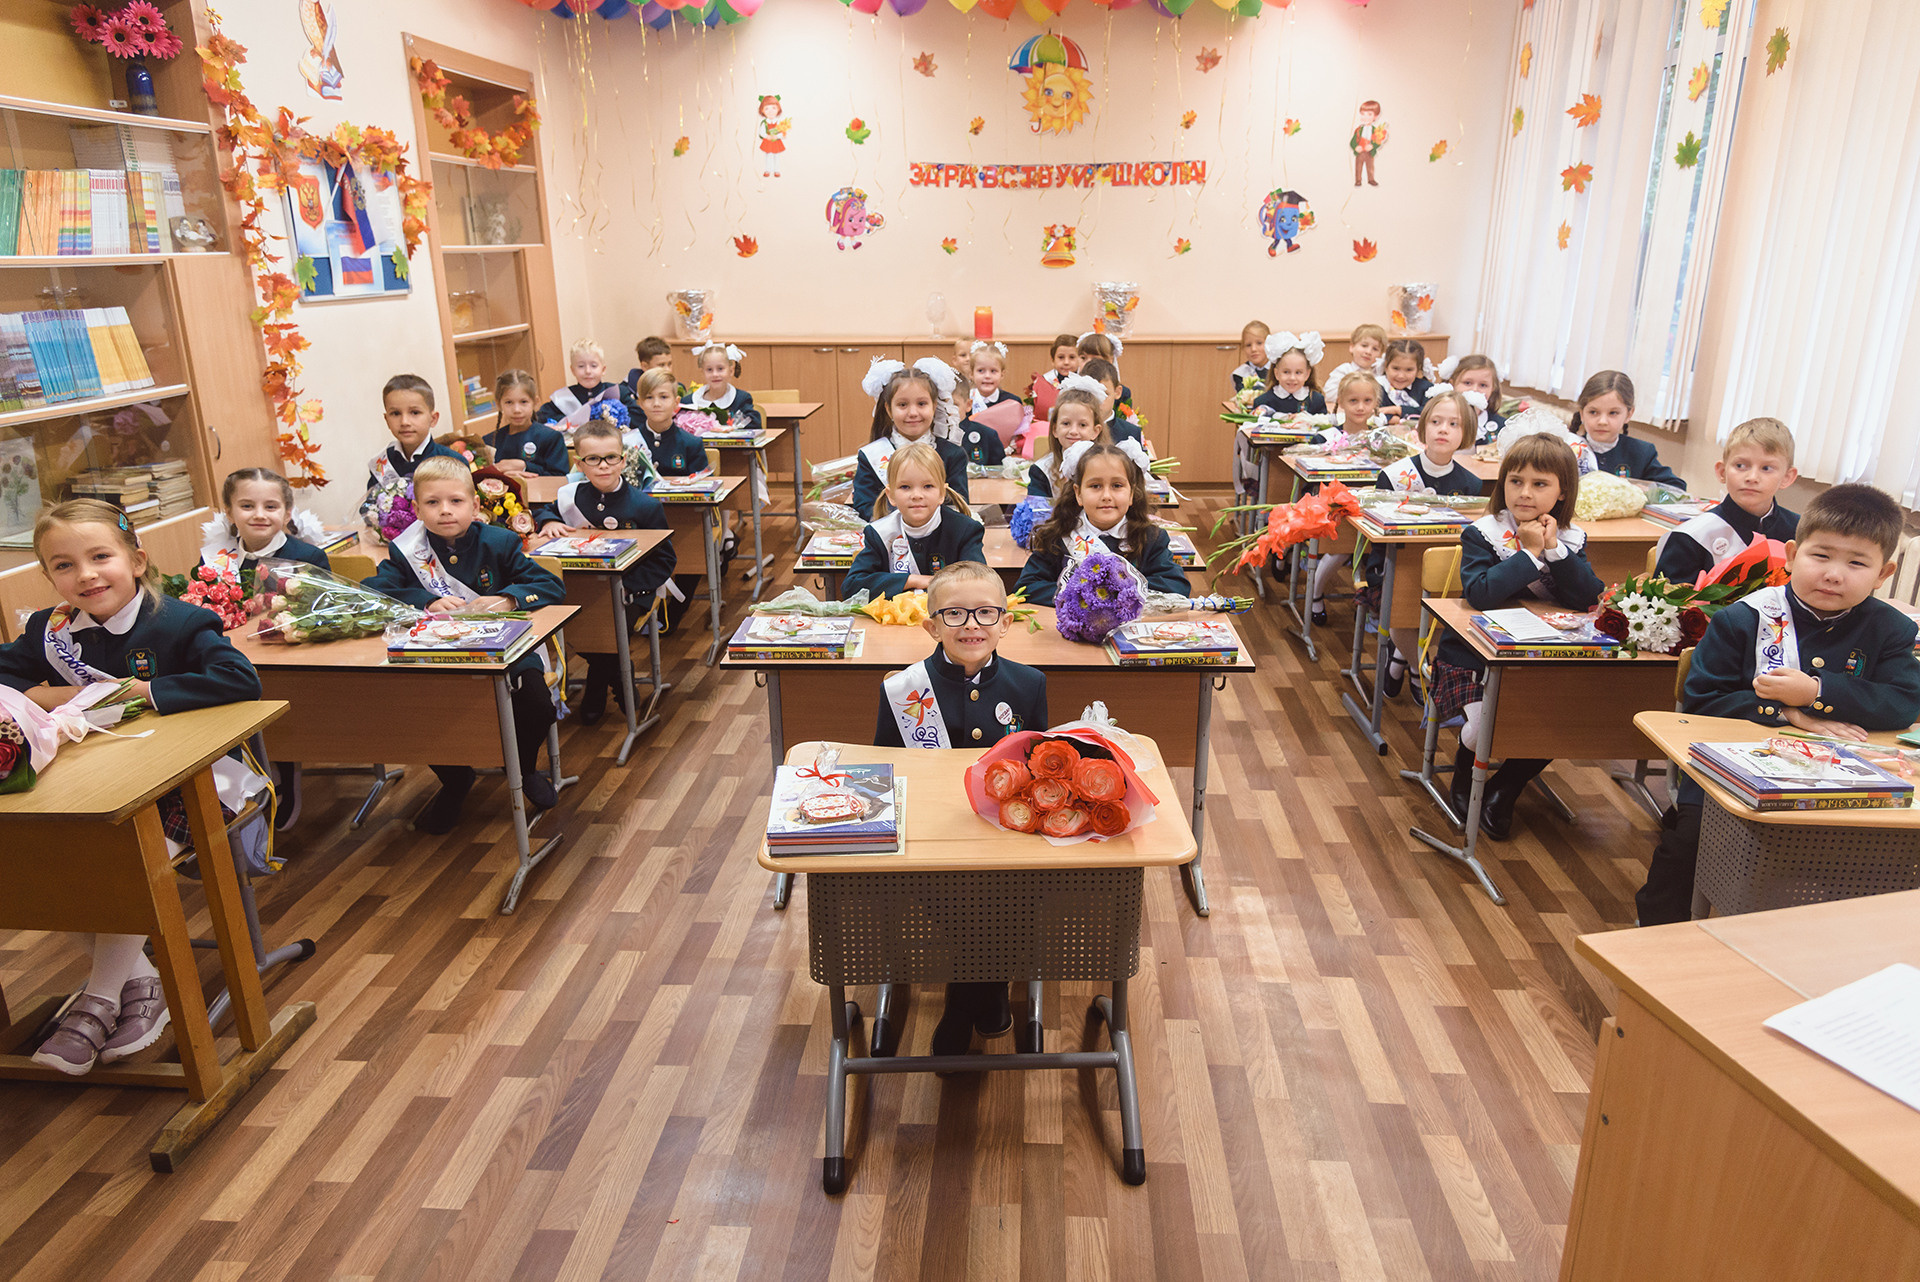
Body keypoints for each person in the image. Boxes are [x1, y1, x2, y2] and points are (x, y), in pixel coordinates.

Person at [1, 500, 262, 1075]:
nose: (86, 575)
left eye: (100, 557)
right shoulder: (50, 631)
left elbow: (239, 678)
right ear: (48, 578)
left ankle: (96, 1000)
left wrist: (132, 695)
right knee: (59, 858)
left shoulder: (179, 622)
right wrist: (47, 697)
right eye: (64, 565)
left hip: (194, 782)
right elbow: (7, 672)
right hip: (101, 779)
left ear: (137, 560)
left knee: (117, 861)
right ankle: (141, 984)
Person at [1636, 484, 1920, 926]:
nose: (1833, 574)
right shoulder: (1743, 618)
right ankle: (1657, 928)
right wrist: (1786, 712)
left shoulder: (1890, 629)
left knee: (1892, 852)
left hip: (1844, 778)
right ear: (1791, 554)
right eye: (1820, 556)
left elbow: (1903, 703)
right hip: (1729, 772)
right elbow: (1701, 700)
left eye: (1857, 563)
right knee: (1689, 839)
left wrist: (1817, 693)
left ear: (1883, 574)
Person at [875, 561, 1048, 1057]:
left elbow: (1036, 768)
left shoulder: (1029, 684)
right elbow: (888, 770)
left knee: (1013, 898)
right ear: (930, 626)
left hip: (1005, 836)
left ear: (1005, 621)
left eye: (985, 612)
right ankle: (981, 991)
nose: (971, 624)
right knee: (955, 901)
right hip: (936, 834)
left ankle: (968, 994)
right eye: (953, 614)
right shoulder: (903, 691)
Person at [362, 457, 564, 831]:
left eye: (455, 501)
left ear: (474, 505)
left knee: (537, 704)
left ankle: (523, 767)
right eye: (433, 503)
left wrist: (507, 599)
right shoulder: (406, 550)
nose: (445, 511)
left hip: (504, 650)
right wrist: (425, 601)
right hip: (436, 656)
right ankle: (455, 780)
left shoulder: (500, 542)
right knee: (424, 712)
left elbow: (550, 585)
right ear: (418, 509)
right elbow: (374, 593)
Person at [1428, 433, 1606, 839]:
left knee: (1566, 718)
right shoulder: (1484, 532)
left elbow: (1587, 596)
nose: (1525, 493)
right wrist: (1528, 555)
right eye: (1515, 481)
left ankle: (1504, 788)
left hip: (1543, 656)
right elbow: (1480, 593)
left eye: (1540, 484)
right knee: (1480, 730)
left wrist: (1555, 550)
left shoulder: (1571, 537)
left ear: (1562, 493)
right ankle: (1464, 773)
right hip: (1473, 656)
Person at [533, 419, 678, 725]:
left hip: (631, 591)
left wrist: (631, 586)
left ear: (623, 460)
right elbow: (543, 509)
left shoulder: (644, 506)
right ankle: (614, 682)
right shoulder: (569, 496)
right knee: (577, 626)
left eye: (611, 457)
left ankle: (599, 687)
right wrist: (548, 521)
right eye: (593, 459)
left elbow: (664, 559)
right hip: (582, 588)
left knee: (608, 631)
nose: (603, 466)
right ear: (579, 463)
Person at [1371, 389, 1483, 697]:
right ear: (1423, 428)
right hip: (1398, 567)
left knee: (1441, 617)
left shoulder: (1471, 484)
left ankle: (1403, 660)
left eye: (1454, 424)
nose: (1444, 429)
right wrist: (1375, 567)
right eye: (1436, 421)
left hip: (1447, 574)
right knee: (1399, 614)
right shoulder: (1395, 476)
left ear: (1467, 433)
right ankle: (1418, 668)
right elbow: (1380, 534)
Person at [1017, 441, 1189, 606]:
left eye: (1117, 485)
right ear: (1078, 493)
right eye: (1095, 486)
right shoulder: (1058, 536)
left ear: (1131, 494)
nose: (1106, 495)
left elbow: (1176, 587)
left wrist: (1116, 593)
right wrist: (1081, 594)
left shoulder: (1150, 538)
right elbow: (1027, 587)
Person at [1654, 417, 1800, 585]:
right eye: (1740, 466)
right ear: (1722, 472)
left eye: (1766, 468)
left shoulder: (1800, 531)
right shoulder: (1691, 537)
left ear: (1787, 477)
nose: (1752, 477)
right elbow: (1665, 605)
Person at [843, 442, 986, 599]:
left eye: (928, 486)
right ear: (890, 495)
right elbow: (852, 587)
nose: (917, 495)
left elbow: (978, 583)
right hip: (895, 621)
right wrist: (912, 580)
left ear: (942, 494)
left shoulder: (965, 530)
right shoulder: (880, 533)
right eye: (905, 487)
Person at [1306, 371, 1389, 626]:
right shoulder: (1326, 438)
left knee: (1386, 551)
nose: (1361, 407)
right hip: (1335, 508)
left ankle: (1374, 604)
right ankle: (1315, 595)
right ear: (1341, 401)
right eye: (1353, 401)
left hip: (1371, 508)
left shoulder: (1382, 439)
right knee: (1341, 549)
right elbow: (1313, 481)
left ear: (1376, 402)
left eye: (1367, 401)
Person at [848, 358, 971, 519]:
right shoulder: (871, 455)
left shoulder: (952, 455)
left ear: (934, 406)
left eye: (921, 404)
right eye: (903, 405)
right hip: (888, 538)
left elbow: (958, 503)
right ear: (889, 409)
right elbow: (864, 506)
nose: (912, 412)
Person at [198, 467, 329, 579]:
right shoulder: (213, 560)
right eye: (247, 506)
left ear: (287, 514)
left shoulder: (309, 558)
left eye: (271, 507)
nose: (259, 515)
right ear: (229, 513)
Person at [1574, 371, 1685, 487]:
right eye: (1593, 412)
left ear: (1628, 414)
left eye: (1613, 413)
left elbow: (1677, 487)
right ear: (1582, 414)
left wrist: (1649, 491)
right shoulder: (1570, 449)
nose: (1602, 421)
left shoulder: (1641, 452)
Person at [363, 373, 461, 498]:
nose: (404, 422)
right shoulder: (381, 464)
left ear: (433, 418)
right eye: (395, 413)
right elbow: (369, 509)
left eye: (415, 412)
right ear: (386, 420)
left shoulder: (453, 462)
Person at [1026, 386, 1110, 501]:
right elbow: (1037, 511)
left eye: (1082, 425)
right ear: (1055, 430)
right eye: (1066, 423)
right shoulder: (1042, 470)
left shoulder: (1110, 465)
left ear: (1095, 431)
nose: (1073, 431)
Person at [535, 339, 638, 433]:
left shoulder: (619, 393)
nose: (588, 371)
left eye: (593, 366)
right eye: (581, 366)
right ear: (572, 370)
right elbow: (542, 420)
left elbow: (638, 419)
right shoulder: (562, 398)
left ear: (603, 369)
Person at [486, 368, 571, 477]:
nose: (517, 409)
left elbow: (560, 477)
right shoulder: (489, 442)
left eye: (523, 402)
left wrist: (524, 466)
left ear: (535, 402)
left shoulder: (551, 438)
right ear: (498, 404)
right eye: (509, 402)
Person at [631, 368, 711, 477]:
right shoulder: (629, 442)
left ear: (676, 402)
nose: (656, 403)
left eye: (663, 397)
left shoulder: (691, 444)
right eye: (649, 397)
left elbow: (703, 486)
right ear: (640, 403)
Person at [685, 341, 761, 432]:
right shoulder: (689, 402)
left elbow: (755, 424)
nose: (715, 374)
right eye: (709, 370)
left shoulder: (741, 399)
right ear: (702, 372)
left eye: (720, 369)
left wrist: (732, 428)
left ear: (731, 371)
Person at [1251, 331, 1328, 418]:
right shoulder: (1263, 402)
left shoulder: (1316, 400)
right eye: (1286, 372)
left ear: (1307, 374)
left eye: (1298, 372)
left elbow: (1325, 427)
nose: (1292, 378)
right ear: (1276, 373)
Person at [1441, 354, 1506, 443]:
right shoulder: (1438, 420)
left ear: (1493, 388)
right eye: (1467, 383)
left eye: (1483, 385)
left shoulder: (1502, 428)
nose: (1474, 390)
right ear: (1452, 384)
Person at [1028, 333, 1081, 423]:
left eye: (1072, 357)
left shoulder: (1086, 383)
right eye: (1061, 357)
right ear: (1053, 360)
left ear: (1080, 359)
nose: (1066, 362)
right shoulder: (1044, 382)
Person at [1378, 338, 1433, 423]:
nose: (1401, 376)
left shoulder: (1428, 390)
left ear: (1418, 370)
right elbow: (1375, 413)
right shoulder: (1377, 387)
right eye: (1396, 368)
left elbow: (1429, 413)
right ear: (1386, 366)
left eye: (1409, 370)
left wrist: (1398, 410)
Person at [1323, 323, 1389, 393]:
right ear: (1352, 347)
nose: (1368, 352)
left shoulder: (1381, 374)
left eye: (1375, 349)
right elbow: (1328, 394)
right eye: (1364, 345)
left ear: (1381, 354)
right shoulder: (1343, 370)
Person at [1230, 320, 1272, 393]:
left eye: (1259, 343)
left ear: (1269, 344)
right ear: (1243, 348)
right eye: (1248, 345)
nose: (1253, 349)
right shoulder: (1239, 374)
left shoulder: (1279, 369)